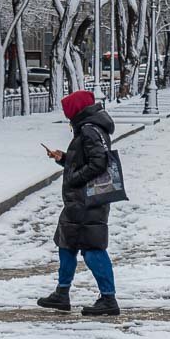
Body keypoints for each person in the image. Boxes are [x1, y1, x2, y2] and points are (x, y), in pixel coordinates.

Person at [37, 90, 120, 317]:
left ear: (76, 110)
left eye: (68, 113)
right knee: (66, 244)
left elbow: (99, 163)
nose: (67, 118)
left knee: (93, 248)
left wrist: (74, 178)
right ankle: (61, 294)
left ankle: (108, 299)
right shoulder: (89, 128)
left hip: (88, 201)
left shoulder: (89, 130)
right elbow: (88, 161)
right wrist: (64, 159)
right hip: (80, 201)